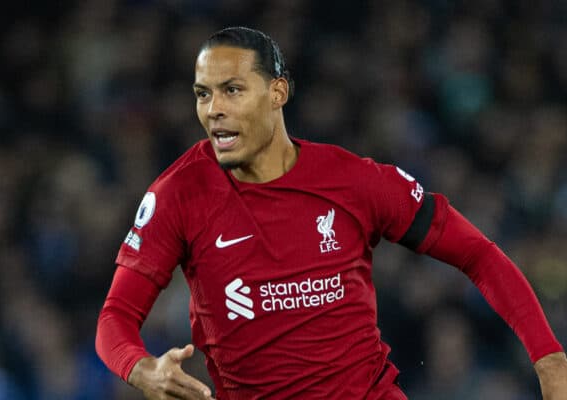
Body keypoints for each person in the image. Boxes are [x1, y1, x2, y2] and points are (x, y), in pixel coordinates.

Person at [95, 26, 567, 399]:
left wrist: (550, 360)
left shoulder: (354, 182)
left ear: (277, 92)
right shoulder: (180, 193)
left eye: (232, 90)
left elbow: (478, 256)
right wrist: (141, 370)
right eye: (203, 94)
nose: (214, 109)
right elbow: (115, 316)